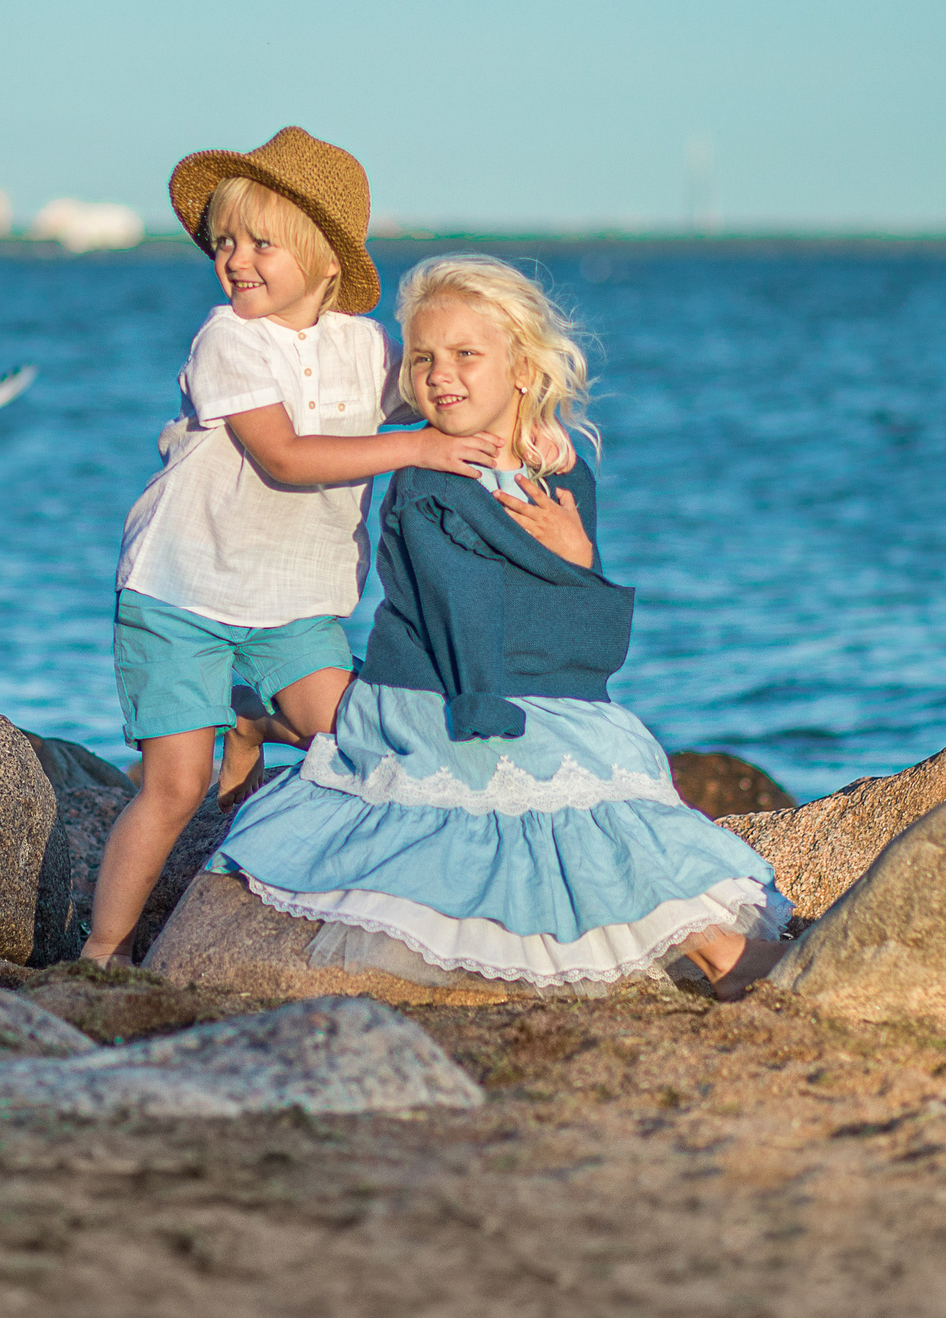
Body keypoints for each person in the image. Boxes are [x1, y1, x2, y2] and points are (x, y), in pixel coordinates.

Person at [207, 253, 789, 997]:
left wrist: (578, 558)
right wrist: (495, 706)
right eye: (423, 358)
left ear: (520, 367)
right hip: (449, 687)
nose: (440, 375)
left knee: (617, 764)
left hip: (535, 679)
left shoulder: (562, 473)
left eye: (465, 354)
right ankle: (721, 957)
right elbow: (463, 614)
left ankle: (267, 718)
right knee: (550, 785)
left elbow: (588, 641)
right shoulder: (427, 479)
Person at [78, 129, 503, 966]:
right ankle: (102, 951)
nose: (235, 259)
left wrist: (523, 424)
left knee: (353, 738)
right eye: (224, 242)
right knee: (175, 787)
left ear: (325, 259)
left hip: (294, 602)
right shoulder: (228, 339)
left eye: (260, 243)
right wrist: (416, 447)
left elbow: (446, 396)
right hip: (179, 592)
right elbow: (284, 455)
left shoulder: (368, 348)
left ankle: (255, 717)